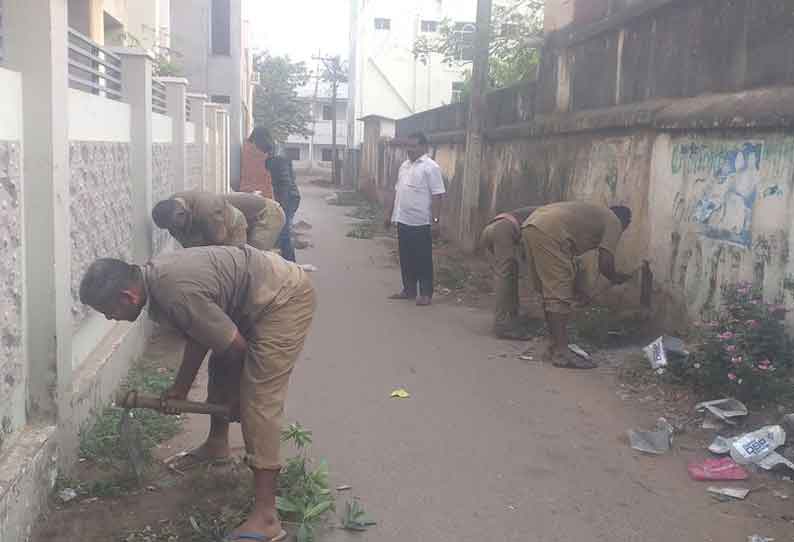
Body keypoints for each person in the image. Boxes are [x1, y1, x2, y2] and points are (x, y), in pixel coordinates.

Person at [79, 246, 316, 542]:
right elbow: (200, 332)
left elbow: (237, 350)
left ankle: (267, 517)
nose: (111, 319)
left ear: (129, 297)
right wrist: (181, 386)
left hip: (283, 298)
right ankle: (217, 445)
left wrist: (240, 398)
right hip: (257, 293)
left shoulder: (174, 292)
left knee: (260, 397)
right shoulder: (157, 281)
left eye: (109, 311)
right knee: (221, 363)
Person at [521, 202, 633, 369]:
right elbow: (605, 262)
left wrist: (580, 289)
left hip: (531, 225)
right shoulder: (614, 222)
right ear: (626, 222)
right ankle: (561, 352)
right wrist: (615, 277)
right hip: (550, 230)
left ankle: (554, 345)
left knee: (550, 291)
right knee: (558, 296)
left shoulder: (593, 215)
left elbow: (573, 263)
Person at [384, 133, 446, 306]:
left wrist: (435, 221)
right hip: (403, 219)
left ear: (423, 147)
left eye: (413, 146)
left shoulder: (430, 167)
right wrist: (389, 215)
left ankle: (426, 293)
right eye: (408, 146)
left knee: (423, 259)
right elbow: (397, 191)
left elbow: (437, 195)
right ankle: (409, 290)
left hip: (421, 222)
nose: (409, 150)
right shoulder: (404, 166)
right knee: (406, 257)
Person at [152, 190, 285, 252]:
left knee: (252, 260)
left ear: (182, 214)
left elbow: (221, 240)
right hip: (235, 216)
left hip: (267, 215)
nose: (175, 232)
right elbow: (190, 245)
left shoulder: (206, 211)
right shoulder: (173, 207)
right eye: (170, 229)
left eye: (176, 227)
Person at [480, 206, 538, 340]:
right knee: (505, 275)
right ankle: (501, 325)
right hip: (504, 229)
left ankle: (512, 317)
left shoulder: (544, 212)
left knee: (510, 272)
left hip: (492, 229)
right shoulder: (551, 219)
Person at [249, 126, 301, 262]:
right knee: (282, 233)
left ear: (263, 140)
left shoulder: (276, 157)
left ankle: (292, 267)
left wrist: (280, 207)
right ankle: (285, 264)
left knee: (284, 234)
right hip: (290, 196)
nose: (257, 148)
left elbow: (285, 183)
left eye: (257, 144)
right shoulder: (277, 150)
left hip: (288, 198)